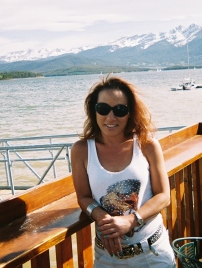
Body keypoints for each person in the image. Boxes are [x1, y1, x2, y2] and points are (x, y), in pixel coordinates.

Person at [70, 76, 175, 267]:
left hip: (152, 253)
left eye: (119, 110)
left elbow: (163, 196)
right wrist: (105, 220)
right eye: (103, 109)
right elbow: (84, 197)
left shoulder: (147, 145)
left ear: (130, 113)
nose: (111, 117)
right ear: (94, 111)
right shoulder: (81, 150)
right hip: (107, 257)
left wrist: (131, 220)